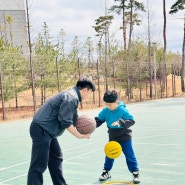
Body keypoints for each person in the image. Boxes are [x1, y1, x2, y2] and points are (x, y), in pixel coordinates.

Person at [27, 77, 95, 185]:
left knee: (56, 159)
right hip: (42, 129)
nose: (89, 95)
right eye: (90, 92)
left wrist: (85, 127)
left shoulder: (72, 96)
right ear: (85, 90)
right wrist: (79, 135)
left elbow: (73, 118)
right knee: (39, 164)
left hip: (47, 131)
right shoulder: (71, 97)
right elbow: (65, 122)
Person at [95, 90, 140, 184]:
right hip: (113, 137)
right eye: (106, 104)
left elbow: (131, 120)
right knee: (109, 155)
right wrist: (91, 125)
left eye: (110, 104)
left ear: (116, 102)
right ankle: (106, 172)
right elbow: (98, 120)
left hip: (124, 136)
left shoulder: (122, 110)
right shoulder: (105, 111)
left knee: (129, 155)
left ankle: (135, 173)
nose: (108, 107)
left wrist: (120, 122)